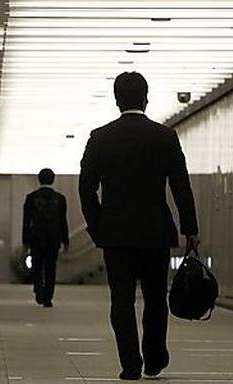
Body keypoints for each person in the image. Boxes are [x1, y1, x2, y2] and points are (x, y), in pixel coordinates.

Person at [78, 72, 199, 380]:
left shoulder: (99, 138)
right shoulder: (164, 137)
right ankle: (155, 357)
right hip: (155, 232)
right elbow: (180, 185)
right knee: (156, 298)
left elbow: (86, 188)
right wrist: (190, 228)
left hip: (116, 235)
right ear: (146, 98)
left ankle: (130, 364)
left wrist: (97, 225)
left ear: (117, 100)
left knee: (121, 300)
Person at [22, 168, 69, 308]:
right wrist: (65, 240)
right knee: (50, 268)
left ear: (39, 179)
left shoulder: (31, 197)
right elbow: (62, 221)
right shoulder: (60, 199)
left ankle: (38, 288)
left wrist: (25, 241)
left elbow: (26, 221)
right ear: (53, 179)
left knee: (37, 266)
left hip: (36, 238)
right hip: (53, 239)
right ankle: (48, 298)